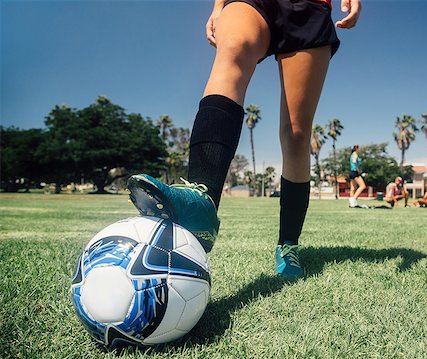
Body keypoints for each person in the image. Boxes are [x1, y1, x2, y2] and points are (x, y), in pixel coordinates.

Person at [126, 0, 362, 279]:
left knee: (296, 134)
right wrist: (217, 8)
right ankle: (202, 199)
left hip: (308, 6)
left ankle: (288, 244)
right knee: (234, 50)